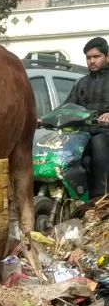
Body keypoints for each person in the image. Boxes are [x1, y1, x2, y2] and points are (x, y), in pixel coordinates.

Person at [64, 37, 109, 198]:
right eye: (89, 58)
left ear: (107, 56)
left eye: (96, 57)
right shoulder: (81, 83)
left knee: (99, 142)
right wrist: (44, 118)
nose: (92, 61)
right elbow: (67, 107)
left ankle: (100, 197)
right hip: (84, 135)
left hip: (105, 135)